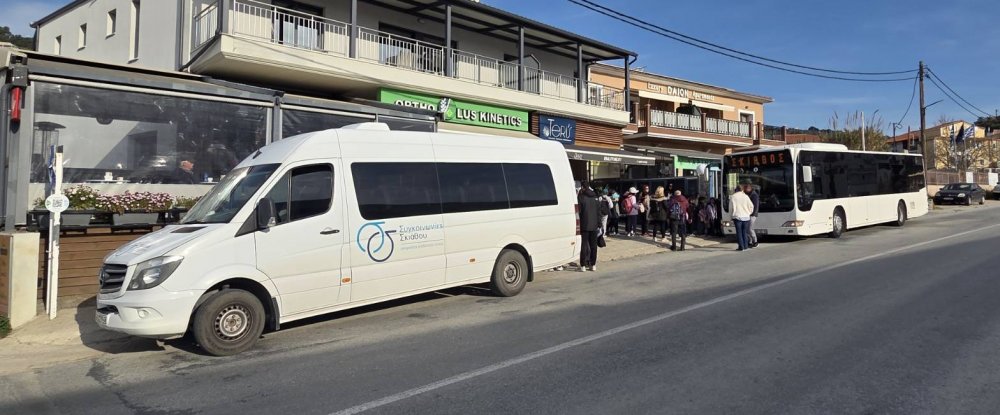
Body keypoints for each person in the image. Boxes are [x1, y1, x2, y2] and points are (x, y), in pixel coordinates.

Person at [577, 182, 601, 271]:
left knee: (584, 245)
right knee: (593, 245)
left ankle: (583, 265)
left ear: (583, 187)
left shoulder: (581, 197)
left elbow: (579, 212)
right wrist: (599, 224)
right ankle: (593, 264)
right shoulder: (596, 197)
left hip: (584, 225)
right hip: (594, 225)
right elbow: (599, 212)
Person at [730, 184, 754, 251]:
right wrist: (748, 213)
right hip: (746, 217)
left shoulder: (733, 196)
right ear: (742, 189)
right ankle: (746, 246)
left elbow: (731, 208)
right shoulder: (746, 196)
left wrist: (731, 216)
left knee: (739, 232)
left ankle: (741, 247)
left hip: (737, 216)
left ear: (736, 189)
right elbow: (751, 206)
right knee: (744, 232)